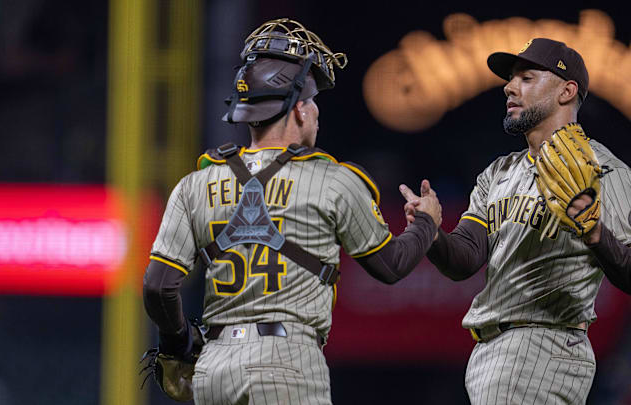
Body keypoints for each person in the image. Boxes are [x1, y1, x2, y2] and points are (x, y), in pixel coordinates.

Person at [142, 18, 440, 405]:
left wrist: (177, 343)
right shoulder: (333, 180)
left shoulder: (196, 183)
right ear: (298, 110)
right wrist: (428, 224)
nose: (316, 112)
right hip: (287, 360)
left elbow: (158, 285)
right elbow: (391, 265)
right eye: (312, 102)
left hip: (214, 368)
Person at [404, 38, 631, 404]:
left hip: (544, 341)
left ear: (566, 91)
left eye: (527, 77)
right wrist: (431, 232)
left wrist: (594, 232)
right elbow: (466, 258)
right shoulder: (500, 171)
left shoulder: (603, 170)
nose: (509, 87)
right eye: (511, 79)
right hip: (491, 353)